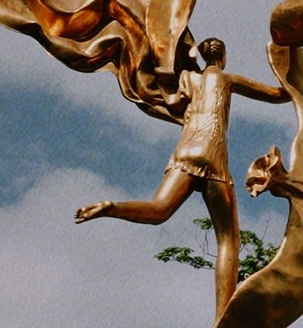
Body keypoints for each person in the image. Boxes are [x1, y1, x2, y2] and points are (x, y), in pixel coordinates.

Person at [77, 36, 287, 313]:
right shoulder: (228, 79)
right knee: (228, 240)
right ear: (222, 58)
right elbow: (278, 95)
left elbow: (174, 103)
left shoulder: (188, 79)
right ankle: (221, 319)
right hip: (213, 157)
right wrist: (298, 78)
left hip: (185, 152)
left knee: (159, 209)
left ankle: (111, 207)